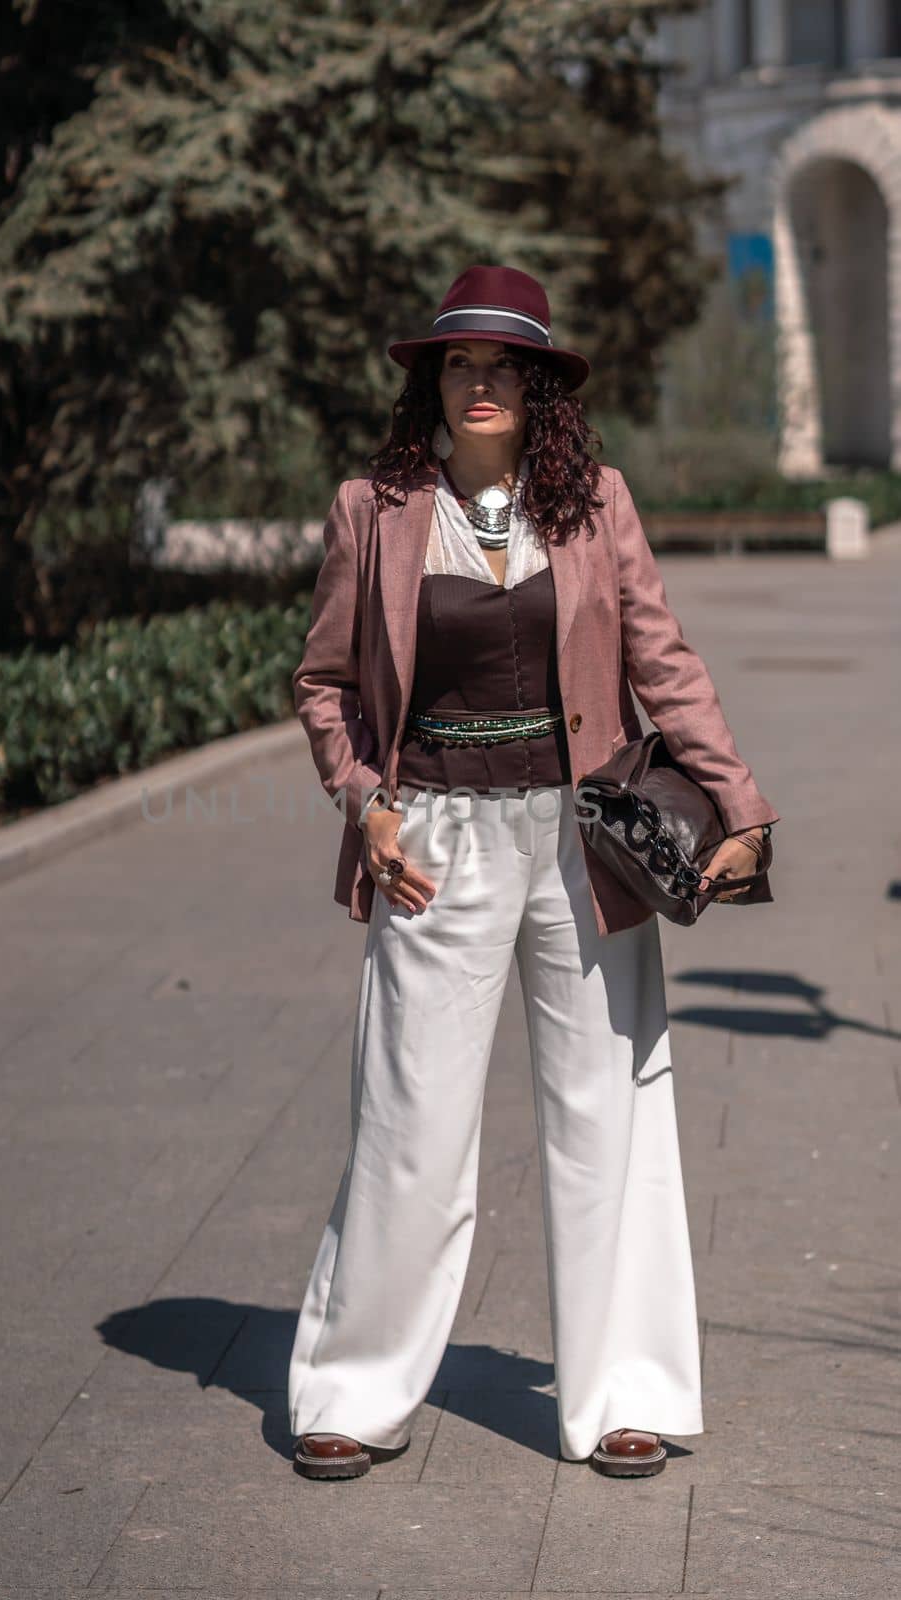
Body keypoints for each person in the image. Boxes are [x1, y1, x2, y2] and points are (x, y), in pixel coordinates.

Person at [287, 265, 778, 1480]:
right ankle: (353, 1385)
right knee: (409, 1120)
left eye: (506, 364)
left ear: (542, 388)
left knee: (599, 1115)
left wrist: (741, 803)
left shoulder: (594, 504)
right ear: (433, 382)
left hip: (582, 839)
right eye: (460, 362)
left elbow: (661, 663)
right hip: (434, 844)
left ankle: (617, 1388)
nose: (482, 381)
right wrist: (366, 804)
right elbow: (321, 685)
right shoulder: (376, 506)